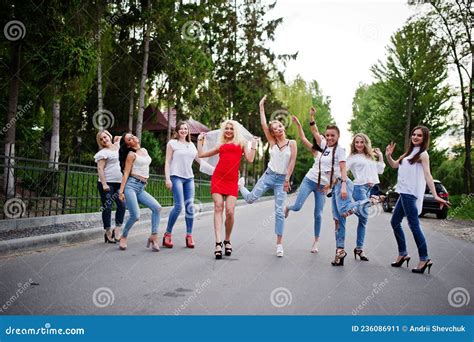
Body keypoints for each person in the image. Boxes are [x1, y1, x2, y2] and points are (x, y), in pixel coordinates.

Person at [238, 95, 297, 257]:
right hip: (269, 175)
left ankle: (279, 244)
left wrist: (287, 180)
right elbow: (264, 124)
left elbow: (292, 162)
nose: (277, 129)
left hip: (281, 180)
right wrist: (261, 107)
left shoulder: (292, 143)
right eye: (274, 128)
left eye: (279, 126)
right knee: (250, 199)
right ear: (273, 132)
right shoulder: (272, 142)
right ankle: (241, 186)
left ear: (283, 128)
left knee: (279, 211)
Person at [385, 125, 450, 274]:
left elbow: (428, 175)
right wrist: (388, 155)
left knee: (414, 225)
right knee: (395, 222)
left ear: (424, 138)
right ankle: (403, 254)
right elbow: (395, 165)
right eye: (414, 134)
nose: (415, 137)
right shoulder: (408, 153)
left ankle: (424, 258)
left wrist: (435, 195)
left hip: (410, 194)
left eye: (419, 135)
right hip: (403, 193)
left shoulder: (423, 154)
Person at [197, 120, 258, 259]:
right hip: (218, 178)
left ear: (235, 130)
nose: (229, 130)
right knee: (218, 207)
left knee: (230, 211)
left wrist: (254, 145)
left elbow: (250, 159)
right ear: (223, 130)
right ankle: (218, 243)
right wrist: (199, 141)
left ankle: (227, 239)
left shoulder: (241, 143)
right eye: (226, 128)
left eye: (231, 128)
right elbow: (201, 155)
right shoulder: (221, 144)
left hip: (231, 181)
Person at [163, 121, 213, 249]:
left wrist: (215, 170)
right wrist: (167, 179)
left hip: (189, 178)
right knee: (179, 206)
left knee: (190, 207)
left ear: (188, 131)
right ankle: (167, 234)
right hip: (176, 177)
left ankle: (189, 236)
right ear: (177, 131)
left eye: (186, 129)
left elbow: (200, 160)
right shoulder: (172, 143)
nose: (183, 130)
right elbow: (167, 162)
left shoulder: (191, 145)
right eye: (181, 128)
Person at [284, 113, 326, 254]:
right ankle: (288, 207)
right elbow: (303, 138)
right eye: (323, 137)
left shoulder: (336, 154)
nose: (324, 138)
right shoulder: (316, 151)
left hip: (322, 187)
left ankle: (316, 242)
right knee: (297, 207)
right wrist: (299, 125)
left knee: (318, 214)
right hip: (309, 181)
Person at [118, 132, 162, 251]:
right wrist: (121, 192)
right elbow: (126, 173)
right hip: (131, 187)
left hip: (141, 187)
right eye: (129, 139)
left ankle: (154, 236)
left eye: (132, 136)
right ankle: (123, 237)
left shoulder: (144, 150)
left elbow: (144, 167)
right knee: (135, 216)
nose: (133, 138)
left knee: (157, 208)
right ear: (128, 145)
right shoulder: (131, 155)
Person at [346, 133, 385, 261]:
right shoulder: (352, 157)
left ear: (365, 143)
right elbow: (343, 170)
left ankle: (359, 249)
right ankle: (349, 210)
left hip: (370, 189)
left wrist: (381, 157)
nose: (359, 145)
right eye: (356, 142)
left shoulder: (370, 157)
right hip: (359, 188)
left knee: (363, 220)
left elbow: (380, 170)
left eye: (361, 142)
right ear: (354, 144)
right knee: (365, 216)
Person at [94, 130, 126, 244]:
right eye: (101, 139)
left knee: (122, 205)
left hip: (119, 183)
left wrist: (118, 138)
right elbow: (100, 169)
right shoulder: (103, 153)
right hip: (107, 183)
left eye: (105, 137)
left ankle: (117, 229)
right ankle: (107, 232)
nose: (104, 140)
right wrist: (104, 184)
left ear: (109, 136)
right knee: (107, 206)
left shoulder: (117, 147)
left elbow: (124, 137)